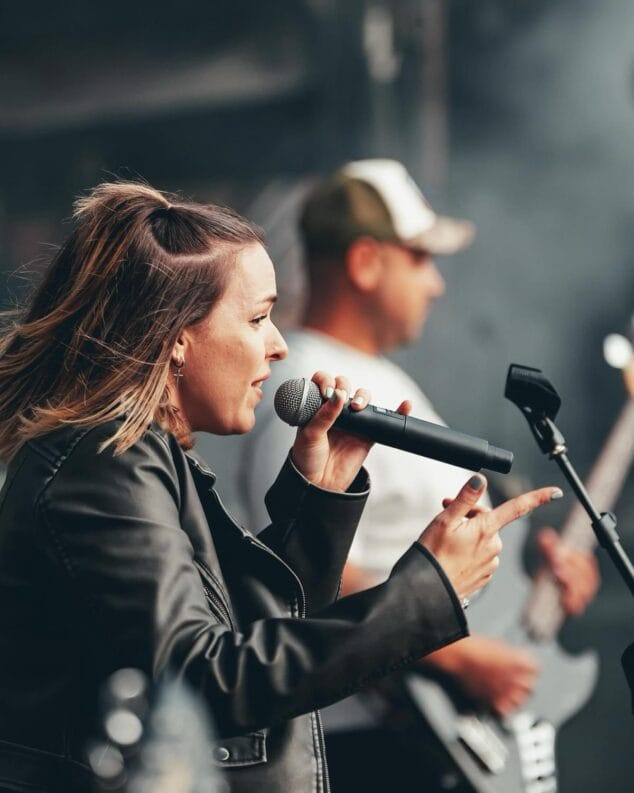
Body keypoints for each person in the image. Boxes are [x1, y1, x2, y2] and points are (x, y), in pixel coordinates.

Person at [0, 181, 561, 793]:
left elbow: (242, 636)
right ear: (176, 337)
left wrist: (318, 504)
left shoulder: (144, 455)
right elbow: (202, 680)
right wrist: (428, 591)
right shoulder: (106, 461)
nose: (278, 345)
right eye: (257, 318)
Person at [242, 159, 600, 790]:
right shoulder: (308, 384)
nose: (435, 284)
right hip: (367, 738)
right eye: (419, 258)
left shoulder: (373, 375)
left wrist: (537, 588)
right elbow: (299, 564)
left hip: (419, 730)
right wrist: (463, 659)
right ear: (365, 262)